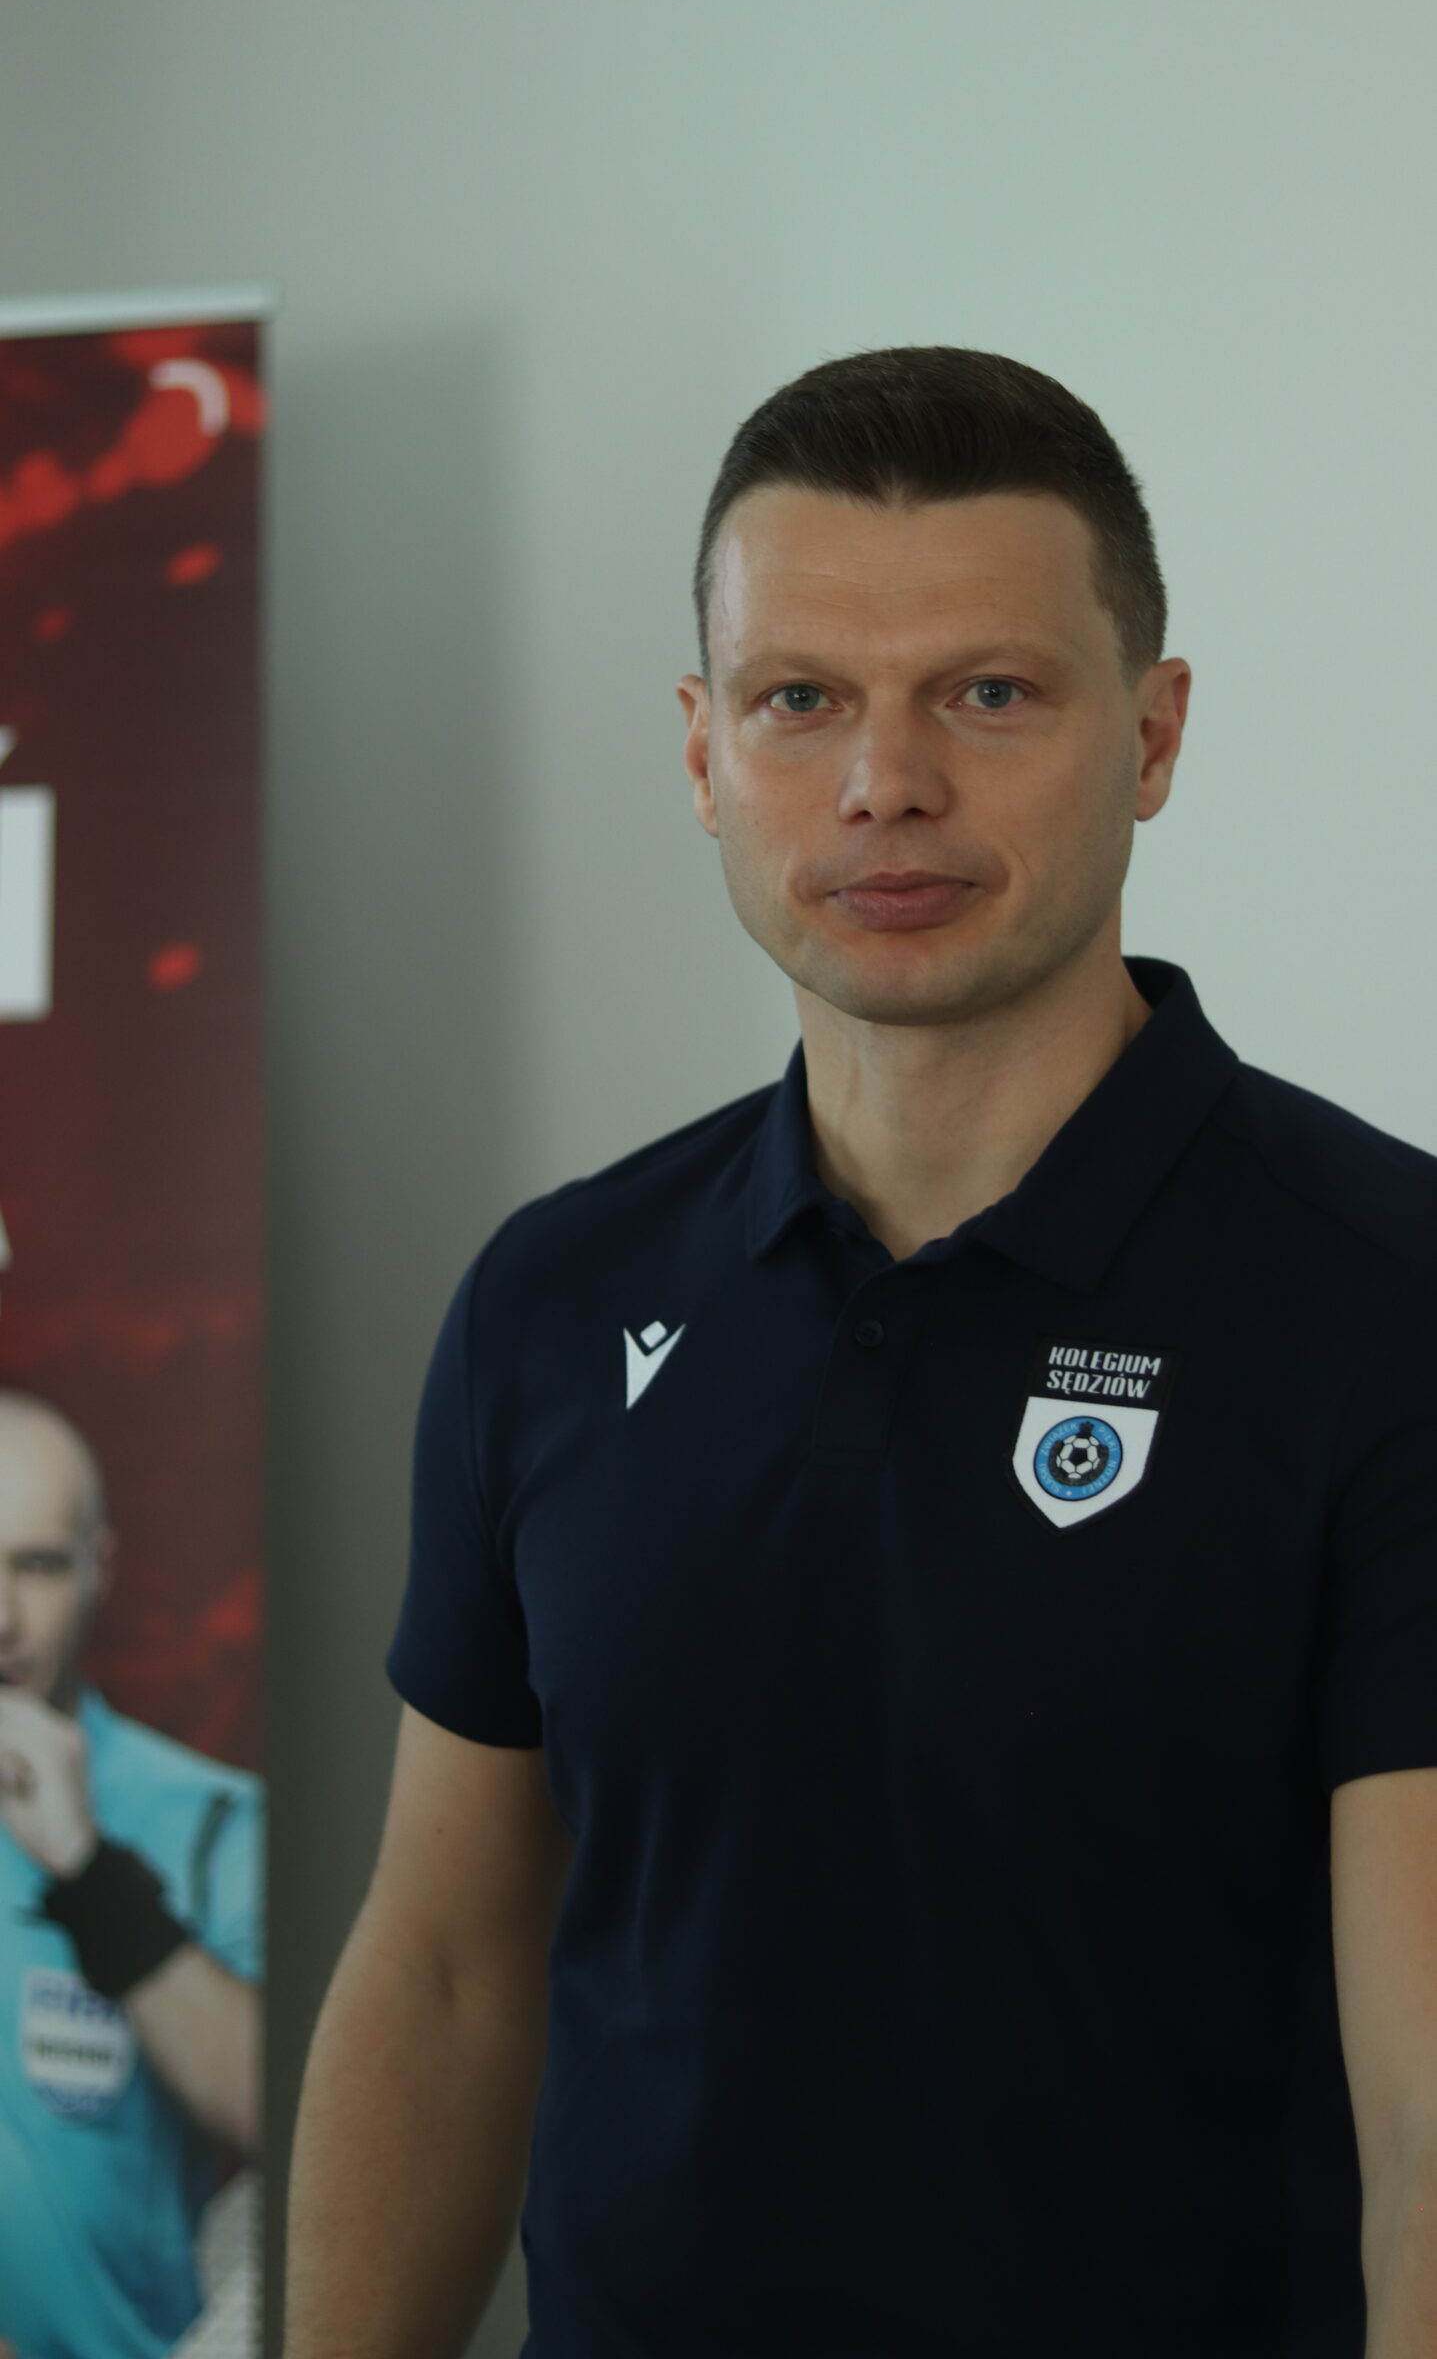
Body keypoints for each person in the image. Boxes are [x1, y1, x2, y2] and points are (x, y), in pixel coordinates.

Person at [282, 346, 1437, 2359]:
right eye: (797, 698)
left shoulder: (1386, 1299)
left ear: (1152, 734)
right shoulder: (550, 1299)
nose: (882, 781)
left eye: (986, 694)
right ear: (701, 748)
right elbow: (450, 1977)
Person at [0, 1386, 265, 2359]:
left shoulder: (209, 1819)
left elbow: (296, 2114)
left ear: (98, 1571)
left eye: (35, 1565)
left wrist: (91, 1875)